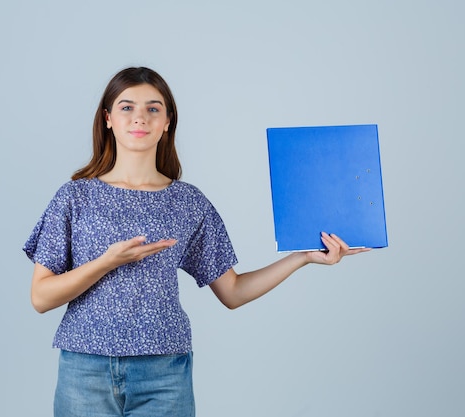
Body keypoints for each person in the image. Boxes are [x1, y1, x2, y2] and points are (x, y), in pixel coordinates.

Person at [23, 66, 369, 417]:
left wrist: (303, 258)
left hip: (163, 375)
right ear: (108, 118)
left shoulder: (188, 202)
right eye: (127, 107)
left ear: (167, 122)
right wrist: (107, 261)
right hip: (84, 370)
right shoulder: (74, 197)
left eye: (153, 108)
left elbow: (232, 292)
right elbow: (41, 297)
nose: (139, 117)